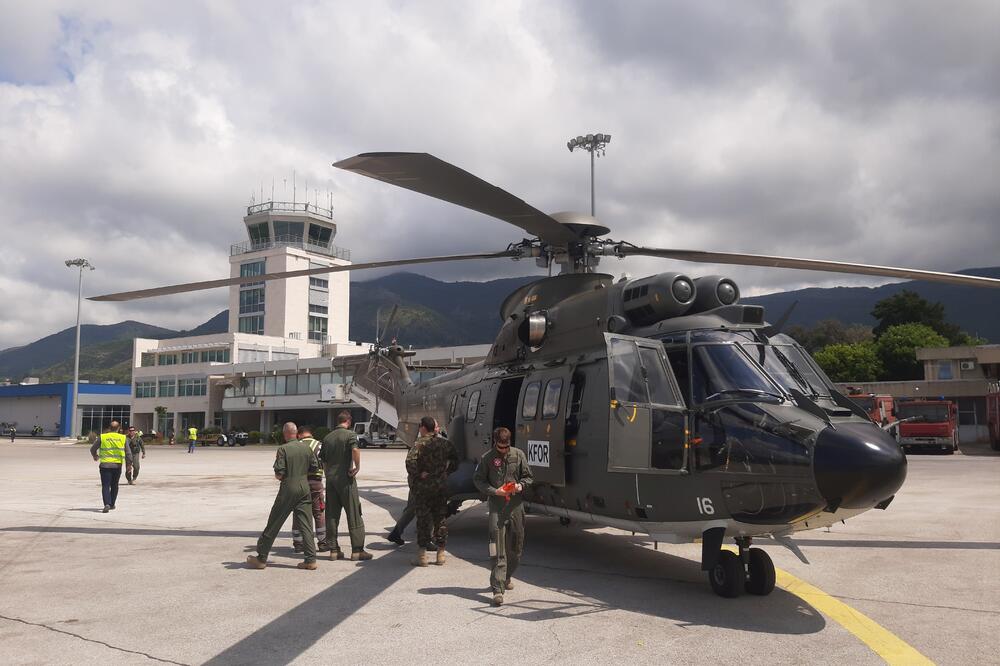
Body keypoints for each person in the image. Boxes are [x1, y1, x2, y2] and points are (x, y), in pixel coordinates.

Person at [474, 426, 533, 607]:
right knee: (497, 549)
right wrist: (494, 491)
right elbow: (478, 480)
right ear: (495, 443)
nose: (504, 450)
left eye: (506, 447)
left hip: (515, 507)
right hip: (497, 508)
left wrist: (521, 486)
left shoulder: (518, 455)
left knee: (516, 549)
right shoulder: (487, 458)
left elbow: (528, 477)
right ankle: (497, 589)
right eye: (500, 447)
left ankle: (506, 576)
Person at [246, 422, 318, 570]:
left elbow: (279, 473)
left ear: (285, 434)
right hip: (304, 487)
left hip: (288, 488)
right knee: (306, 524)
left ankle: (261, 557)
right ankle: (310, 559)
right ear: (296, 433)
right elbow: (314, 467)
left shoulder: (283, 449)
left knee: (274, 522)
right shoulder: (307, 448)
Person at [406, 417, 458, 567]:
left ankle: (422, 556)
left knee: (423, 520)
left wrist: (418, 474)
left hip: (423, 489)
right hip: (440, 487)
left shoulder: (419, 444)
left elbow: (410, 462)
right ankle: (440, 554)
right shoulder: (445, 443)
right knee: (440, 519)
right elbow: (455, 460)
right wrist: (446, 472)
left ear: (423, 427)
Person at [319, 411, 372, 561]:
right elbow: (355, 449)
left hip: (331, 480)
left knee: (331, 515)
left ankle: (334, 550)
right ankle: (357, 550)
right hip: (346, 479)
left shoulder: (327, 437)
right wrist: (357, 466)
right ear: (348, 421)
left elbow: (323, 460)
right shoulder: (350, 435)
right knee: (354, 513)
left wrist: (328, 474)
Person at [292, 424, 329, 553]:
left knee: (298, 513)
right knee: (318, 513)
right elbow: (326, 463)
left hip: (299, 484)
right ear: (311, 433)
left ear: (299, 434)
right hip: (315, 483)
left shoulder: (295, 445)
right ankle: (322, 542)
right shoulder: (320, 445)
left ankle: (298, 543)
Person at [90, 420, 133, 513]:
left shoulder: (103, 437)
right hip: (117, 466)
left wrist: (95, 456)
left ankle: (106, 504)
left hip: (105, 465)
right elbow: (128, 453)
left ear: (109, 428)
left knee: (105, 485)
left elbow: (93, 448)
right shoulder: (123, 438)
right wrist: (129, 465)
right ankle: (112, 504)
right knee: (114, 485)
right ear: (119, 428)